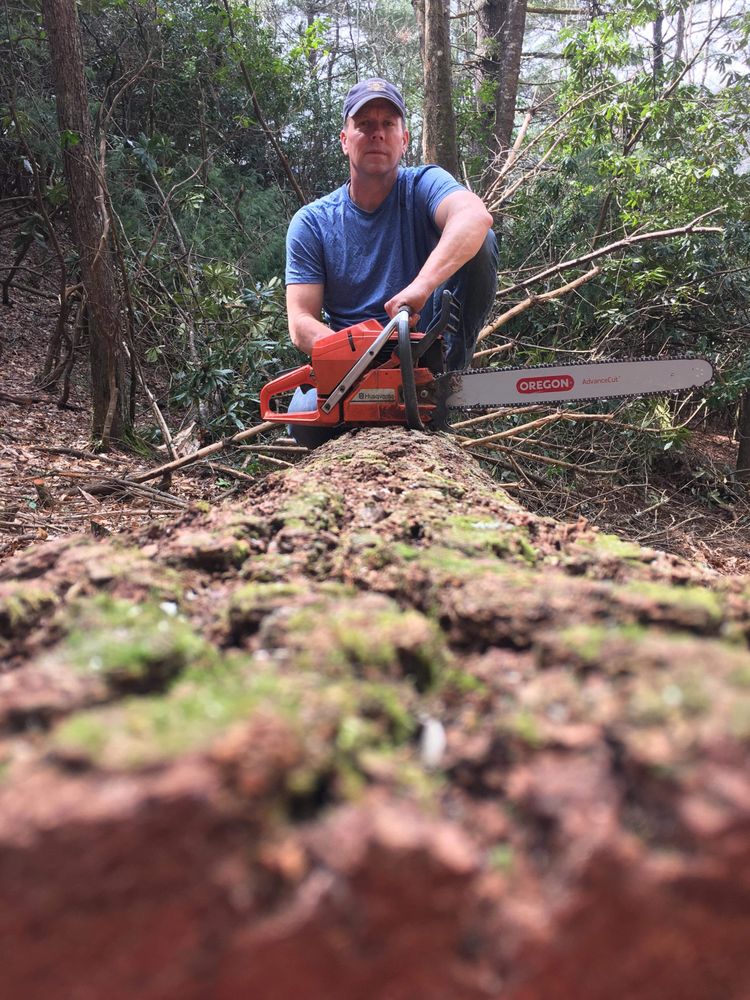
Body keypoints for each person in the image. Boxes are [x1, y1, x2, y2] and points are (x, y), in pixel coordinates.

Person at [285, 77, 498, 445]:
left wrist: (419, 289)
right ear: (344, 139)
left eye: (387, 124)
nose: (376, 134)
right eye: (364, 124)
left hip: (423, 357)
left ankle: (446, 382)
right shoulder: (313, 222)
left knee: (483, 243)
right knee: (301, 418)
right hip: (350, 368)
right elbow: (301, 322)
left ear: (404, 140)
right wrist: (354, 356)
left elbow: (474, 218)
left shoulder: (424, 184)